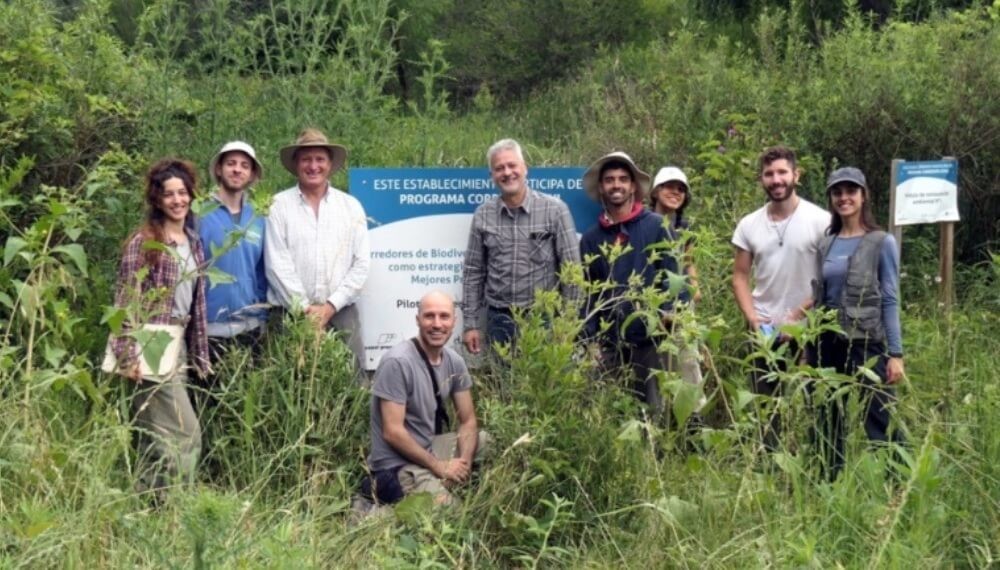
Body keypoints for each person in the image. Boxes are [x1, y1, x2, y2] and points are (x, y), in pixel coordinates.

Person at [108, 158, 210, 495]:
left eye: (183, 193)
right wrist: (126, 355)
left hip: (179, 341)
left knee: (156, 434)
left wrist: (199, 353)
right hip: (150, 341)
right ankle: (177, 503)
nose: (178, 200)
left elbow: (196, 302)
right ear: (157, 200)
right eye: (170, 194)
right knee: (185, 431)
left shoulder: (193, 242)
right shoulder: (144, 241)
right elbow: (125, 300)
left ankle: (151, 508)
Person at [807, 167, 905, 479]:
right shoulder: (827, 243)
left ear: (864, 196)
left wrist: (896, 353)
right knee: (827, 417)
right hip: (827, 344)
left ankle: (900, 484)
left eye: (851, 191)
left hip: (866, 343)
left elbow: (889, 298)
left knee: (879, 416)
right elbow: (820, 295)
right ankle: (828, 484)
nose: (844, 198)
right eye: (837, 192)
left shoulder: (881, 241)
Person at [731, 146, 829, 450]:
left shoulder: (821, 221)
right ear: (762, 179)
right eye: (769, 174)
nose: (776, 180)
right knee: (765, 405)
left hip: (809, 328)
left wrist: (798, 316)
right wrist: (751, 315)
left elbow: (830, 278)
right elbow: (740, 275)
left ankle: (815, 461)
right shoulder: (749, 224)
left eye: (782, 172)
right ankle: (769, 468)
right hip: (764, 329)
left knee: (812, 401)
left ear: (795, 175)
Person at [580, 152, 689, 419]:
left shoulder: (656, 226)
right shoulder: (592, 239)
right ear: (601, 187)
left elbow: (674, 277)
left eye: (622, 179)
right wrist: (589, 339)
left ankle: (655, 459)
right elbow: (589, 293)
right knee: (610, 413)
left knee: (652, 411)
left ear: (632, 187)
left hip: (650, 339)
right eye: (609, 180)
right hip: (610, 342)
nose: (616, 185)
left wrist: (668, 313)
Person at [363, 291, 487, 506]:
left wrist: (463, 464)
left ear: (454, 321)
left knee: (486, 441)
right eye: (429, 316)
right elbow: (392, 432)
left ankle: (446, 484)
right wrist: (439, 466)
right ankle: (392, 502)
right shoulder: (398, 362)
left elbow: (468, 421)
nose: (437, 324)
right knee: (450, 513)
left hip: (429, 446)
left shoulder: (454, 361)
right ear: (418, 320)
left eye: (444, 316)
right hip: (398, 463)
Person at [462, 138, 580, 356]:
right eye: (499, 168)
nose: (507, 172)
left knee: (544, 386)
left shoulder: (555, 210)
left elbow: (572, 271)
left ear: (525, 169)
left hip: (544, 318)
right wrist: (470, 324)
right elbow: (472, 272)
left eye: (512, 165)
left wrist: (568, 323)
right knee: (504, 386)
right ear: (492, 177)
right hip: (499, 319)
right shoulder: (483, 215)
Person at [265, 128, 370, 369]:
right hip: (290, 314)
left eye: (320, 159)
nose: (313, 166)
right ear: (296, 164)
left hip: (341, 313)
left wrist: (330, 306)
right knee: (291, 385)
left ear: (330, 164)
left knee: (352, 385)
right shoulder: (278, 206)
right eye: (306, 159)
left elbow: (361, 263)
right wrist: (305, 310)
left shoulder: (350, 206)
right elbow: (276, 264)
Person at [199, 141, 268, 364]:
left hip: (250, 327)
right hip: (209, 329)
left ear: (251, 174)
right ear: (219, 169)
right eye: (231, 163)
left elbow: (262, 272)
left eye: (244, 165)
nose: (237, 169)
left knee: (248, 397)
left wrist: (262, 316)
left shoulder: (259, 218)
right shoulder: (199, 213)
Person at [649, 166, 706, 411]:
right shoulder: (645, 221)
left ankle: (694, 415)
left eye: (681, 189)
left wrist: (694, 286)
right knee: (657, 359)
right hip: (651, 302)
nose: (675, 192)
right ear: (655, 190)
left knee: (688, 359)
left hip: (682, 302)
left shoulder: (684, 225)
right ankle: (660, 414)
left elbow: (688, 260)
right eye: (669, 187)